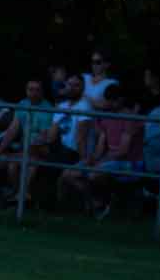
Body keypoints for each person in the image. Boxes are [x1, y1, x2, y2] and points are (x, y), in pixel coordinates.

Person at [59, 83, 142, 217]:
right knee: (68, 174)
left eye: (112, 101)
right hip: (109, 159)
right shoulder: (106, 116)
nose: (109, 103)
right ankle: (96, 203)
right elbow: (101, 144)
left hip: (129, 162)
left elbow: (123, 151)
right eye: (108, 100)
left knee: (94, 175)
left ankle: (103, 203)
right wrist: (93, 158)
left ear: (121, 100)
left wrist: (101, 161)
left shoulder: (130, 118)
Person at [0, 79, 52, 209]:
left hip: (38, 152)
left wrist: (25, 152)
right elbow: (12, 130)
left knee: (15, 164)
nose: (33, 93)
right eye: (30, 89)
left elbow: (43, 140)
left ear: (42, 92)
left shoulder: (48, 109)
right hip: (22, 152)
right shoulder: (23, 104)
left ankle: (17, 198)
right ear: (26, 90)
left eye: (37, 90)